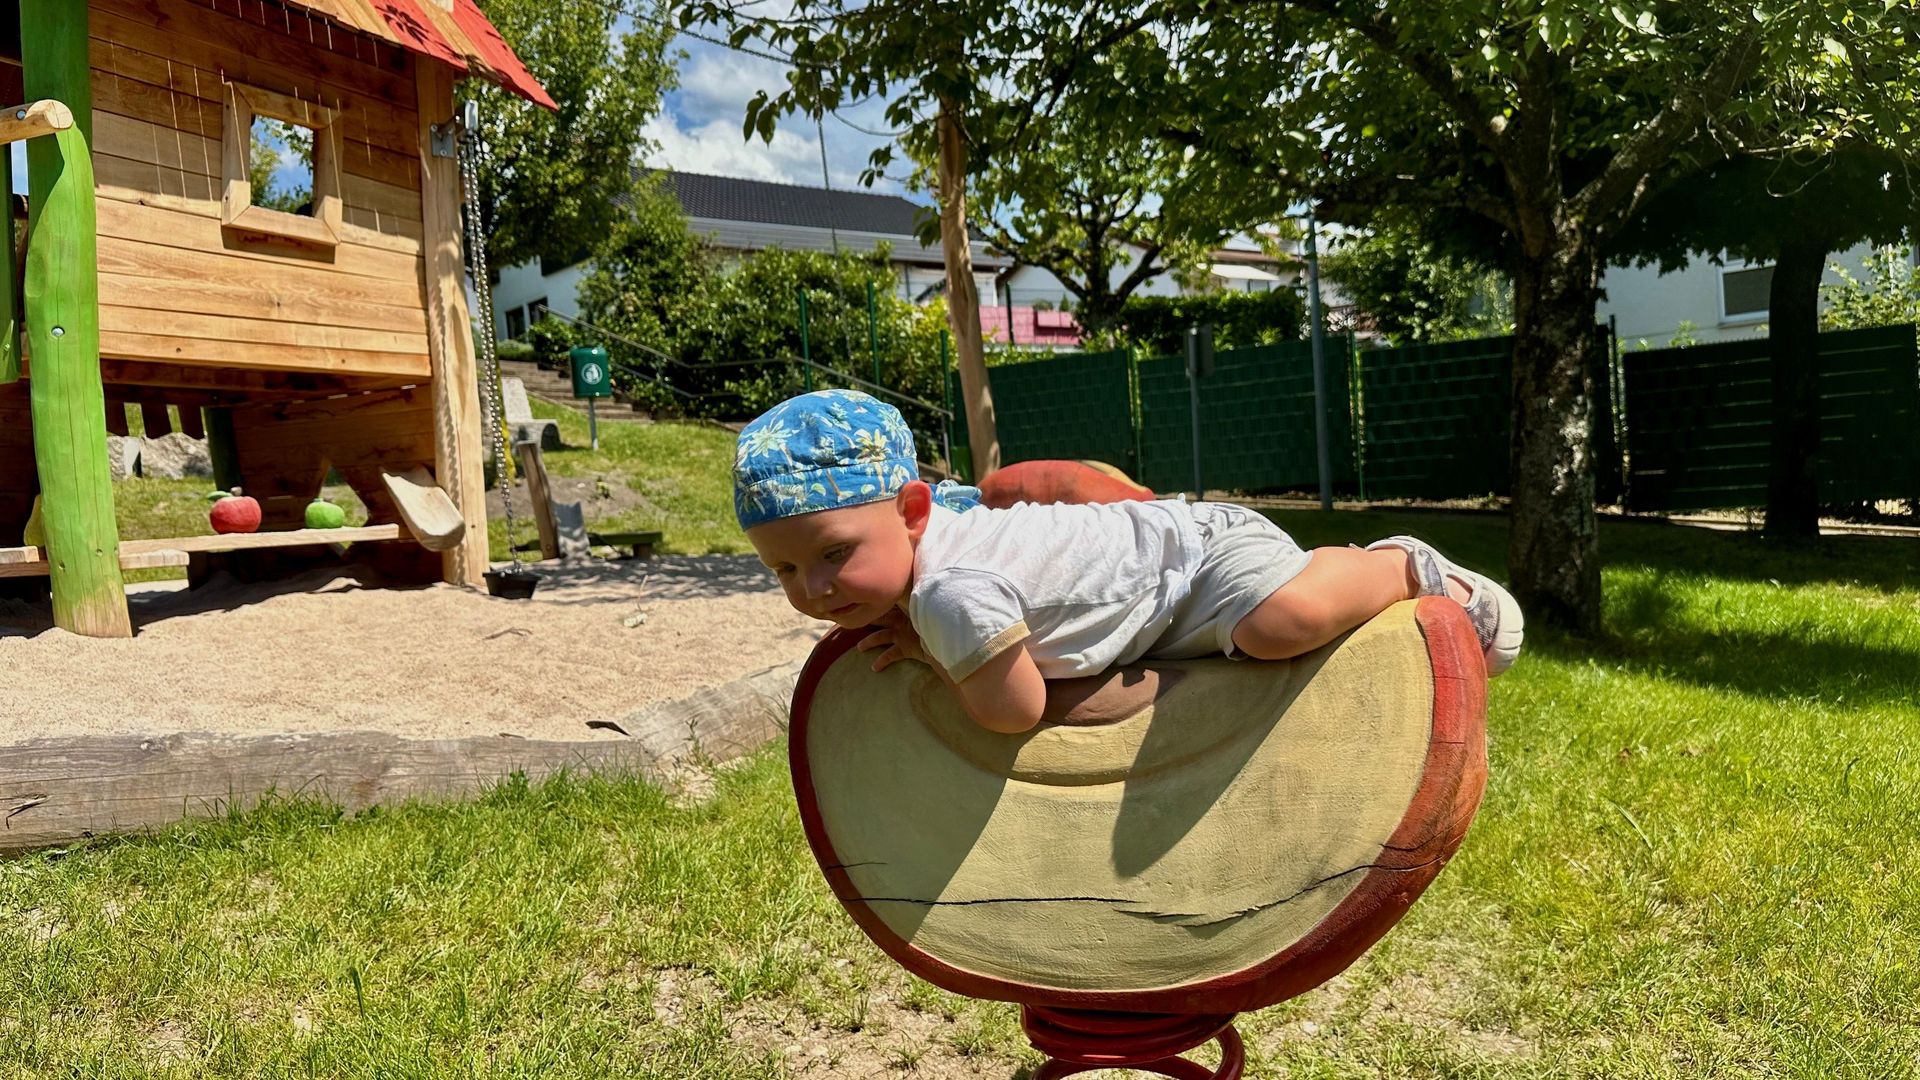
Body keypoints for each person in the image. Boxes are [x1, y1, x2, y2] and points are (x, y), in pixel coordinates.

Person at [735, 389, 1522, 734]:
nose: (814, 588)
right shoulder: (931, 565)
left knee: (1283, 623)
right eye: (785, 571)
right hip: (1155, 603)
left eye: (834, 554)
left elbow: (1012, 712)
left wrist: (936, 655)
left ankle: (1402, 566)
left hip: (1196, 559)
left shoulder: (947, 592)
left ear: (913, 514)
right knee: (1245, 649)